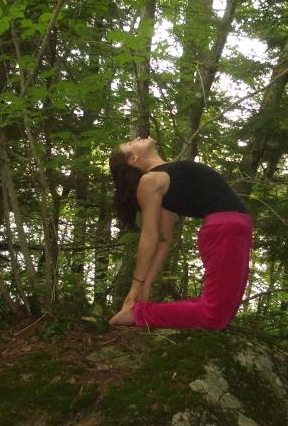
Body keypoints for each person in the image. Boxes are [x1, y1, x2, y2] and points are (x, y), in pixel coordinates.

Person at [108, 136, 253, 330]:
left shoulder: (163, 174)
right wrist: (136, 286)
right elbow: (151, 236)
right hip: (224, 231)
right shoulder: (149, 181)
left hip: (235, 230)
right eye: (128, 143)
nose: (135, 138)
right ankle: (136, 314)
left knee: (224, 312)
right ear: (132, 159)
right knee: (214, 318)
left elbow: (165, 240)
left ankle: (140, 311)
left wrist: (147, 284)